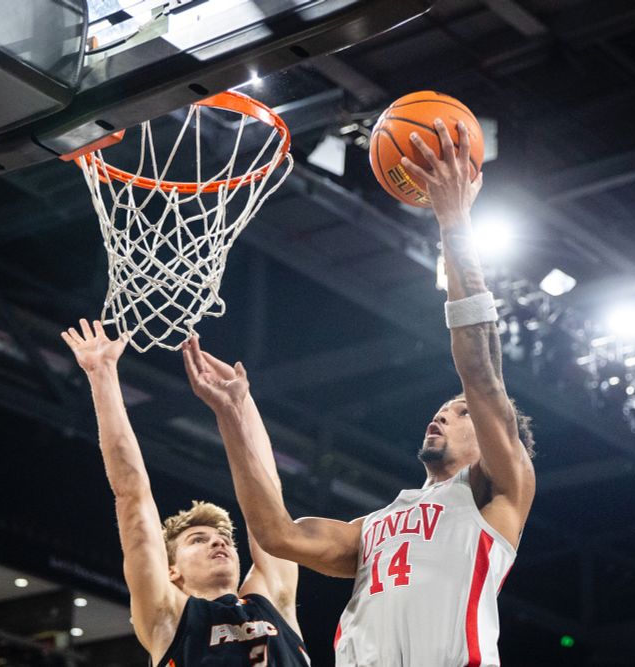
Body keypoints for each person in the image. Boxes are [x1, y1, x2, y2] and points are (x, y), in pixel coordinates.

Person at [182, 118, 535, 666]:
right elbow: (276, 534)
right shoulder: (370, 529)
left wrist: (453, 220)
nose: (442, 415)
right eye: (443, 409)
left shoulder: (496, 493)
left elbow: (482, 372)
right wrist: (231, 416)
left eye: (460, 413)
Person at [61, 319, 311, 666]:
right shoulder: (168, 615)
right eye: (198, 540)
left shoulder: (274, 599)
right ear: (171, 571)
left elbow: (268, 490)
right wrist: (102, 373)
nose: (218, 542)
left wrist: (240, 404)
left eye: (222, 538)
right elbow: (132, 496)